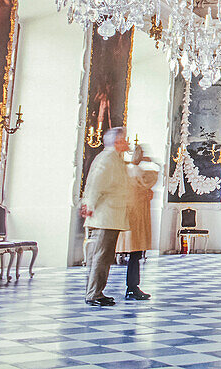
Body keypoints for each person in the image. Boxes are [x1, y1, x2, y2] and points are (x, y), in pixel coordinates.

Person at [80, 127, 130, 307]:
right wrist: (90, 205)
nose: (128, 143)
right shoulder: (108, 159)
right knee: (101, 256)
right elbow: (95, 184)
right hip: (104, 216)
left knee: (102, 256)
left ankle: (95, 291)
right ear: (117, 142)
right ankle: (94, 293)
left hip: (110, 216)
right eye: (124, 140)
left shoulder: (116, 159)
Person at [116, 143, 158, 300]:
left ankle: (131, 287)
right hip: (136, 216)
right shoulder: (137, 171)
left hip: (128, 214)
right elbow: (152, 178)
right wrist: (153, 162)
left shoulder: (126, 170)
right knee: (135, 253)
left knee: (134, 253)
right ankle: (132, 287)